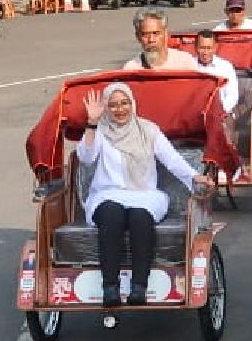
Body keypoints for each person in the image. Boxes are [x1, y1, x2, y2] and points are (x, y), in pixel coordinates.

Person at [78, 82, 213, 307]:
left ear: (133, 103)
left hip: (144, 195)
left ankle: (139, 287)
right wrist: (92, 123)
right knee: (112, 214)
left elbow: (171, 159)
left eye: (124, 103)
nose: (120, 109)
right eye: (113, 105)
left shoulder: (148, 129)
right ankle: (109, 288)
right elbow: (86, 157)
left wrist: (194, 177)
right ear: (106, 109)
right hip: (108, 194)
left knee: (140, 217)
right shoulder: (101, 130)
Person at [124, 8, 198, 71]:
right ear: (138, 37)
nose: (151, 40)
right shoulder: (131, 69)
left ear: (165, 34)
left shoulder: (185, 63)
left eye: (156, 33)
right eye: (145, 34)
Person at [192, 30, 239, 114]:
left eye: (209, 48)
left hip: (220, 115)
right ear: (195, 47)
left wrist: (218, 111)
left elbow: (232, 96)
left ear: (215, 48)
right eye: (202, 48)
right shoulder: (189, 66)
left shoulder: (225, 67)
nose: (205, 52)